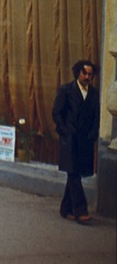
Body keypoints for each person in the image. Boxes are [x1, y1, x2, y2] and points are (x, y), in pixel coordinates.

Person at [52, 60, 100, 224]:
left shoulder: (94, 93)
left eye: (90, 74)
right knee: (73, 173)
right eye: (84, 73)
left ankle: (66, 209)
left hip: (85, 140)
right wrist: (65, 131)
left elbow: (96, 116)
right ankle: (81, 210)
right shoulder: (66, 90)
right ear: (77, 73)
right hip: (70, 139)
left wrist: (93, 134)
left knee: (75, 173)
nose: (87, 77)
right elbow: (56, 113)